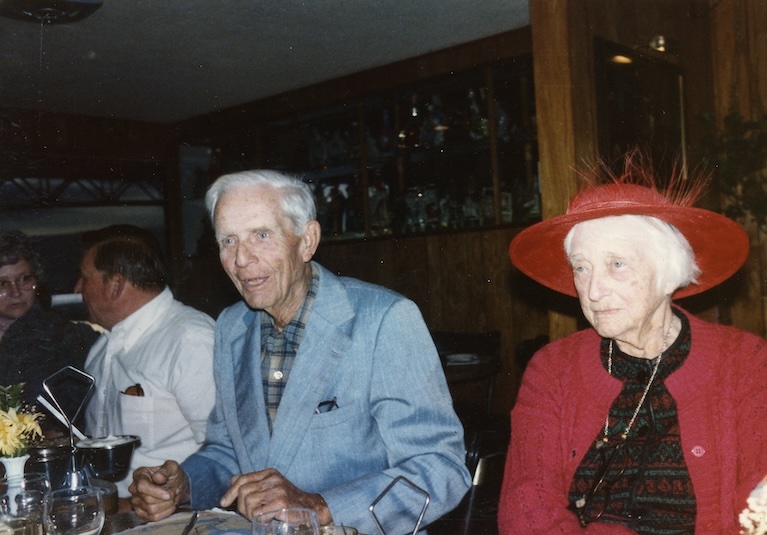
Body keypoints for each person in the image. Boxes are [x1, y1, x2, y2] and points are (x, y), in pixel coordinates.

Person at [128, 170, 470, 534]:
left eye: (261, 235)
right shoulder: (232, 327)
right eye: (228, 240)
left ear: (307, 241)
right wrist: (183, 484)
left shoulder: (383, 320)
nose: (241, 259)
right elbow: (230, 452)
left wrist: (321, 507)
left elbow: (441, 467)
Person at [499, 154, 767, 533]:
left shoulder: (745, 362)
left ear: (668, 272)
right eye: (581, 267)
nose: (592, 290)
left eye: (617, 265)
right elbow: (526, 506)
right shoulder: (552, 368)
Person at [76, 225, 216, 502]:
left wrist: (176, 492)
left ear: (115, 284)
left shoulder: (190, 339)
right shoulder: (103, 346)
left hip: (174, 516)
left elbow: (224, 450)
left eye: (84, 278)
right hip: (107, 509)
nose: (77, 288)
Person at [0, 230, 99, 433]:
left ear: (37, 280)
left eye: (24, 279)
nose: (16, 292)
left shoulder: (71, 337)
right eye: (2, 283)